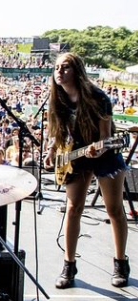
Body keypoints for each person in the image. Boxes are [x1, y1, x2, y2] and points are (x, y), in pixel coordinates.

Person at [44, 52, 129, 288]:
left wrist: (98, 150)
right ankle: (68, 265)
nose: (59, 72)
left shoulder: (98, 97)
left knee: (114, 210)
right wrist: (52, 151)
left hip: (104, 153)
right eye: (57, 68)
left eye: (65, 67)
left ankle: (120, 262)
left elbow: (106, 138)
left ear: (77, 71)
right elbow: (58, 130)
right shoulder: (57, 98)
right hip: (76, 155)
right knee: (73, 209)